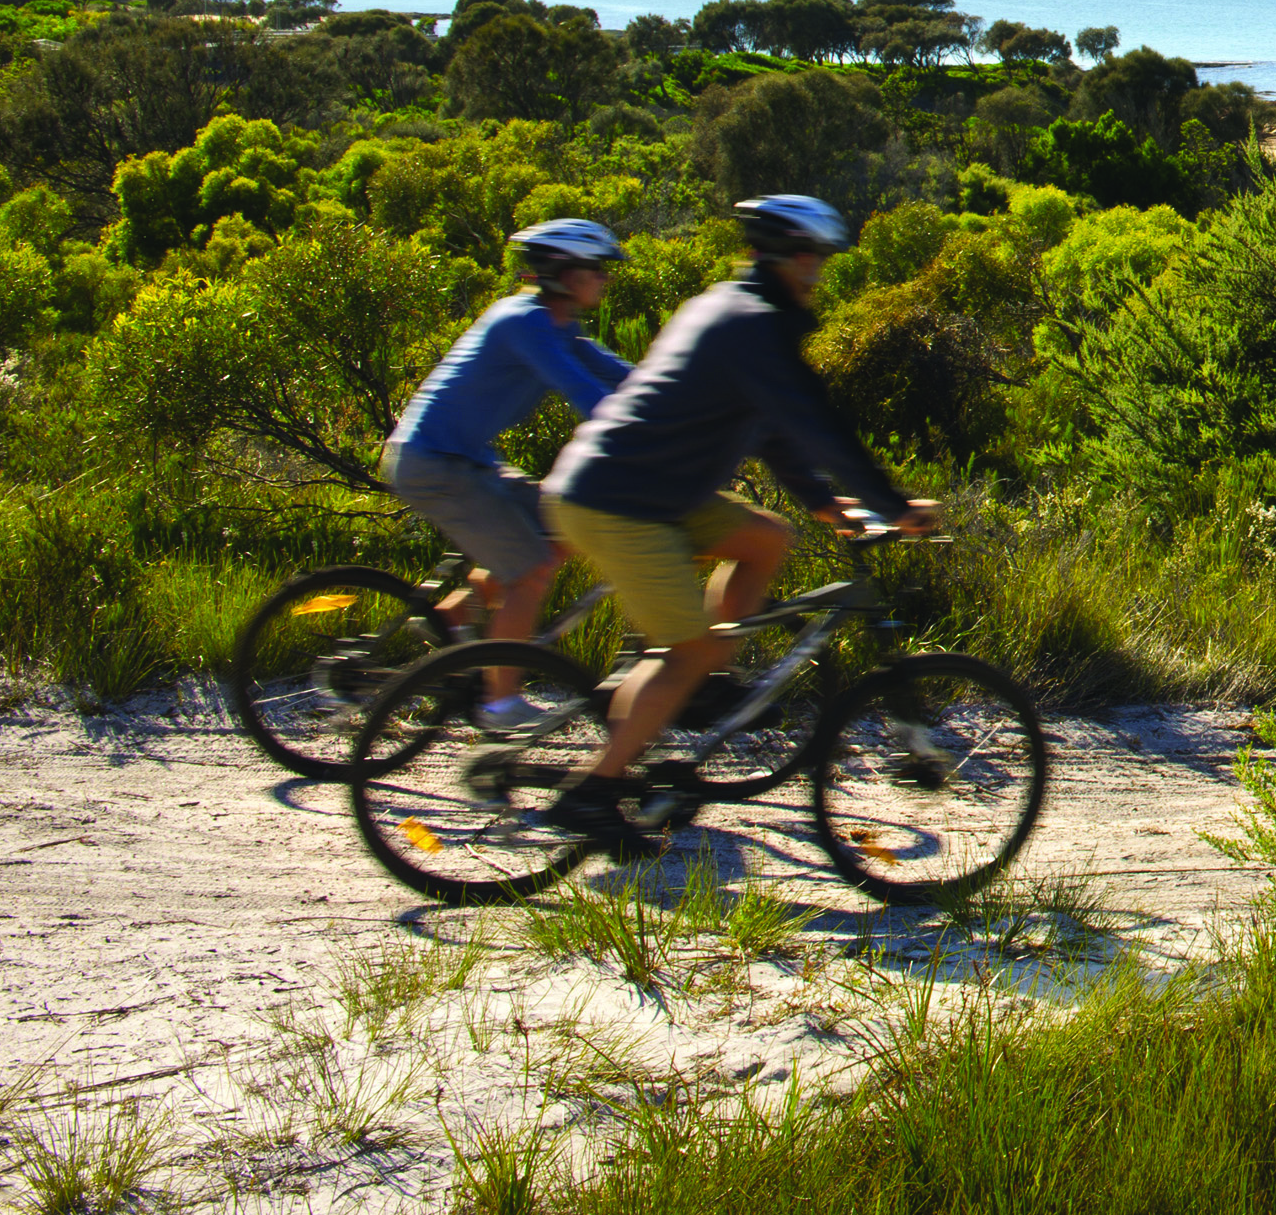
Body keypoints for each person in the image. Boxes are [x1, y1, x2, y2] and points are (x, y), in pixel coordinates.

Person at [536, 193, 936, 855]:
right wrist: (890, 504)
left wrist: (820, 502)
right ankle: (594, 792)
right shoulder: (754, 324)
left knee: (765, 538)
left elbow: (771, 426)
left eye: (821, 258)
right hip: (620, 498)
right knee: (684, 650)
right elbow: (817, 426)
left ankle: (706, 683)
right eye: (811, 257)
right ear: (786, 257)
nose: (818, 271)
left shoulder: (728, 306)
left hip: (647, 488)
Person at [381, 217, 631, 727]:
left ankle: (448, 621)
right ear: (563, 271)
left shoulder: (559, 325)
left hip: (463, 459)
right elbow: (587, 395)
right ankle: (499, 703)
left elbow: (626, 378)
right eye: (597, 268)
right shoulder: (525, 321)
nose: (605, 277)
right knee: (531, 568)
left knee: (558, 524)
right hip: (434, 464)